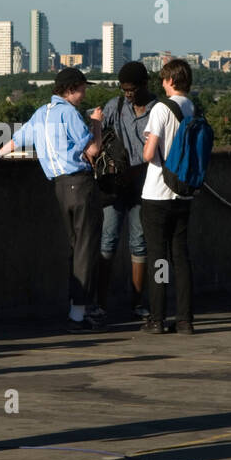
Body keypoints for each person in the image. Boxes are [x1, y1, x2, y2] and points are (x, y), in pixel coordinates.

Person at [0, 67, 104, 331]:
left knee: (74, 247)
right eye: (82, 88)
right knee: (86, 248)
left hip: (60, 188)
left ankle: (78, 308)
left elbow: (16, 141)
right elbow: (93, 148)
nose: (84, 94)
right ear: (71, 89)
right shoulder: (69, 113)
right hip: (80, 184)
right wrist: (96, 123)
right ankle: (79, 314)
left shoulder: (41, 114)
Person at [90, 61, 153, 318]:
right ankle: (100, 304)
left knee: (139, 244)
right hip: (114, 187)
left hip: (143, 185)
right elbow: (98, 135)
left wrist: (134, 172)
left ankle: (137, 303)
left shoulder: (158, 110)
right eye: (124, 89)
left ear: (145, 85)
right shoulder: (115, 107)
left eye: (132, 89)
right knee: (108, 241)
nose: (129, 94)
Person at [140, 59, 197, 334]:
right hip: (183, 192)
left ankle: (157, 318)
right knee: (181, 257)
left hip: (157, 193)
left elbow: (149, 154)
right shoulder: (192, 107)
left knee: (157, 258)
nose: (162, 84)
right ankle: (185, 319)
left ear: (171, 81)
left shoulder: (161, 109)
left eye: (163, 79)